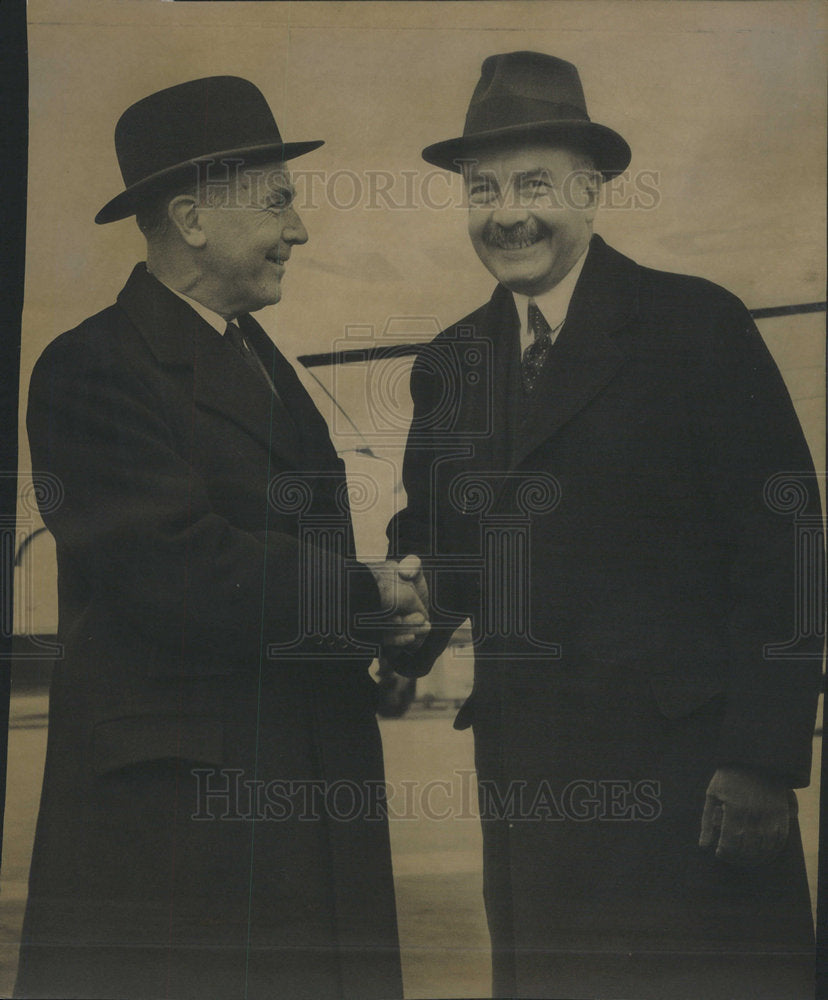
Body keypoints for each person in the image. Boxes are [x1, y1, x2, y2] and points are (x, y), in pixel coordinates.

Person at [386, 51, 823, 999]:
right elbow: (439, 544)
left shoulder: (696, 326)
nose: (509, 213)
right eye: (484, 188)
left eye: (535, 183)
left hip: (690, 789)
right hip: (531, 795)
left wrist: (761, 758)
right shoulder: (451, 362)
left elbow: (784, 546)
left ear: (591, 189)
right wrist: (401, 617)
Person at [17, 76, 427, 1000]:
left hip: (300, 801)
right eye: (279, 201)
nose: (301, 230)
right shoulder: (90, 367)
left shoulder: (252, 356)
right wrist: (373, 599)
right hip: (180, 832)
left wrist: (381, 633)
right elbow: (181, 568)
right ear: (193, 218)